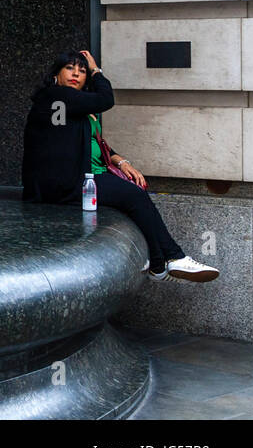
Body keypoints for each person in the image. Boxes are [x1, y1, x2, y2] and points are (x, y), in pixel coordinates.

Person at [21, 48, 218, 282]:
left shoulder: (75, 108)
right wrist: (96, 70)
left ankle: (159, 265)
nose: (76, 74)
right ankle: (173, 258)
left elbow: (91, 143)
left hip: (81, 177)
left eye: (82, 70)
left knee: (135, 194)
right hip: (64, 184)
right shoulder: (55, 96)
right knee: (134, 196)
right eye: (70, 68)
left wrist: (121, 161)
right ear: (56, 73)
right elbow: (106, 99)